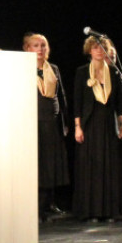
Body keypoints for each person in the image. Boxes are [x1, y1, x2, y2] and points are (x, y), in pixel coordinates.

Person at [74, 36, 122, 221]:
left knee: (110, 166)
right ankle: (92, 212)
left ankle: (109, 211)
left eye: (102, 47)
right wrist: (78, 127)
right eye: (95, 47)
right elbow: (78, 102)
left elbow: (120, 103)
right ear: (89, 50)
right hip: (90, 124)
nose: (99, 50)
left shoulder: (113, 73)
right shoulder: (82, 72)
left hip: (108, 122)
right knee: (93, 167)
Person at [25, 33, 70, 218]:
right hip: (32, 122)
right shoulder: (22, 68)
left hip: (52, 121)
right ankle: (36, 206)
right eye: (36, 45)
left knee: (51, 164)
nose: (41, 49)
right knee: (38, 164)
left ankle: (49, 203)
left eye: (43, 45)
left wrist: (65, 122)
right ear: (27, 49)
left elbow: (61, 96)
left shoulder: (53, 69)